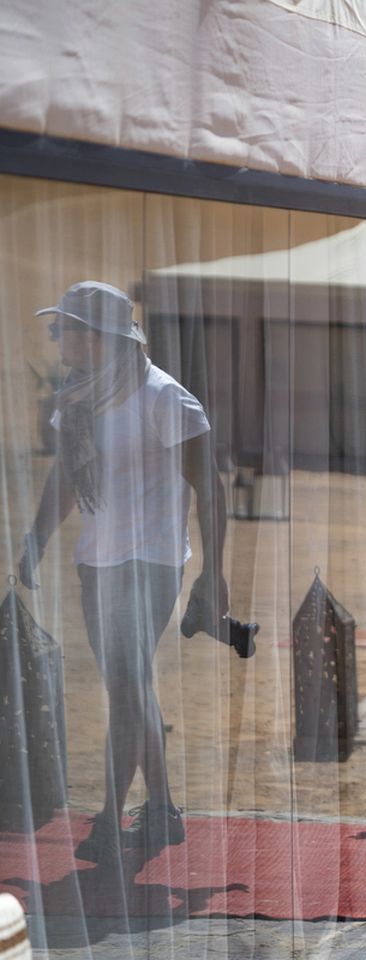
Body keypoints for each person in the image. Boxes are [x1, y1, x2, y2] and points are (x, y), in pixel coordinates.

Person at [17, 281, 230, 864]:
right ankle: (161, 811)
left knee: (126, 685)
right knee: (128, 683)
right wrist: (35, 540)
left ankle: (111, 814)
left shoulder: (165, 398)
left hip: (151, 560)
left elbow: (209, 487)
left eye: (64, 328)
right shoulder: (78, 397)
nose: (57, 337)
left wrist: (214, 574)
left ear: (96, 336)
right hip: (97, 561)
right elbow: (65, 477)